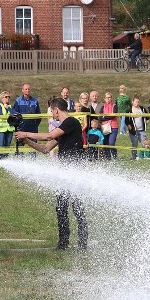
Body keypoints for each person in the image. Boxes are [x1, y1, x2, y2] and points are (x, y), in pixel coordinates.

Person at [16, 98, 88, 250]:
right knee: (61, 207)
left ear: (56, 110)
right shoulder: (63, 129)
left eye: (51, 112)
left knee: (76, 207)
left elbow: (48, 136)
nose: (51, 115)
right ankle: (63, 243)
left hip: (75, 171)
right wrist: (27, 140)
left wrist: (25, 132)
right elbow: (45, 149)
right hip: (64, 172)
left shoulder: (71, 122)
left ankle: (83, 242)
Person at [11, 83, 41, 154]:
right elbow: (15, 114)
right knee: (20, 149)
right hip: (21, 128)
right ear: (22, 90)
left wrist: (35, 125)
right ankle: (20, 163)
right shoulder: (18, 101)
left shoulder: (35, 101)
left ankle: (32, 163)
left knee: (33, 148)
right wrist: (18, 127)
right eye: (26, 89)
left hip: (32, 129)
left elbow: (39, 115)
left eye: (28, 89)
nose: (27, 90)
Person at [0, 90, 13, 160]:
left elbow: (14, 113)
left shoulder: (10, 106)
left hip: (9, 128)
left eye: (8, 97)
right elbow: (0, 114)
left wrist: (8, 108)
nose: (7, 98)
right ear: (2, 98)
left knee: (8, 144)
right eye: (5, 97)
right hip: (1, 129)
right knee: (1, 144)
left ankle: (6, 158)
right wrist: (5, 108)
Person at [100, 92, 118, 160]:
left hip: (113, 126)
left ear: (112, 98)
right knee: (105, 143)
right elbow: (99, 117)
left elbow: (113, 116)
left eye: (109, 97)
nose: (108, 99)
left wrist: (104, 117)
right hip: (105, 127)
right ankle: (108, 158)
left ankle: (114, 157)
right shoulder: (103, 106)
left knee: (111, 143)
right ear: (104, 99)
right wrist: (105, 117)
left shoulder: (115, 106)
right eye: (106, 97)